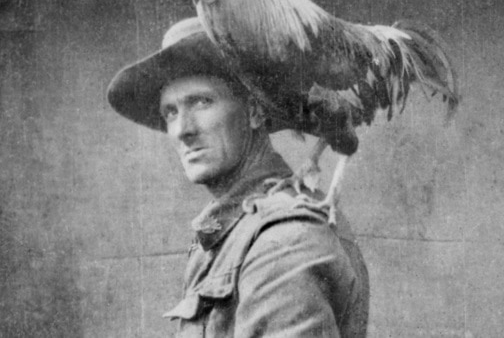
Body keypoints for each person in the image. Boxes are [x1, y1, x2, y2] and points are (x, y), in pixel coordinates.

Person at [106, 17, 370, 337]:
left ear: (256, 110)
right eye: (170, 112)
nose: (182, 130)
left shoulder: (283, 240)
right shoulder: (235, 229)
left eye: (202, 102)